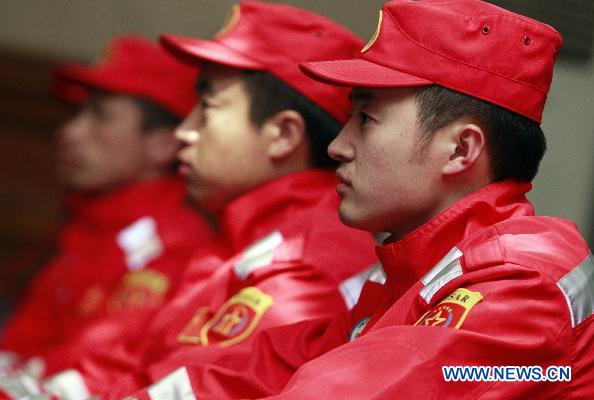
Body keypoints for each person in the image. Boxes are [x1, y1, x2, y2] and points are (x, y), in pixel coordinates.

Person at [117, 1, 594, 399]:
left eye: (366, 120)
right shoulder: (406, 274)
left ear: (461, 150)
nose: (337, 146)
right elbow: (262, 370)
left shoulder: (524, 279)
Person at [41, 2, 378, 399]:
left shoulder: (313, 258)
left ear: (284, 135)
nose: (184, 131)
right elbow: (136, 366)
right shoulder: (241, 239)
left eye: (208, 107)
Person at [0, 35, 225, 378]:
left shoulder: (174, 245)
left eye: (100, 116)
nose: (70, 131)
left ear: (163, 145)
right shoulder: (92, 219)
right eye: (78, 112)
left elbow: (87, 373)